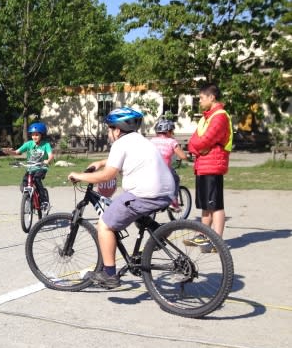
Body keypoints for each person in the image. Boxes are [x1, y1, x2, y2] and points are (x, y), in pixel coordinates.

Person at [67, 107, 175, 288]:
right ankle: (159, 232)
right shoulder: (141, 140)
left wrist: (80, 176)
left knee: (105, 225)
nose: (109, 133)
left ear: (117, 130)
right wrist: (101, 162)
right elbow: (121, 160)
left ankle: (109, 275)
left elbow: (107, 176)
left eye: (109, 128)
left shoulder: (120, 144)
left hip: (145, 194)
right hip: (166, 192)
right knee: (136, 212)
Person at [184, 83, 232, 248]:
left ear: (212, 97)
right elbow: (194, 140)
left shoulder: (219, 116)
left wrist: (197, 146)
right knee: (205, 204)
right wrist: (197, 147)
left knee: (215, 204)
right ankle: (203, 235)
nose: (200, 101)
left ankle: (217, 241)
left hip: (213, 165)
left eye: (202, 98)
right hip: (203, 164)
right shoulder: (207, 117)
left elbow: (205, 140)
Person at [3, 122, 54, 213]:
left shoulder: (46, 144)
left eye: (37, 135)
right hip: (30, 168)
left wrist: (48, 160)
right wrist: (9, 152)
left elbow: (50, 156)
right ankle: (28, 200)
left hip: (41, 168)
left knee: (37, 179)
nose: (34, 137)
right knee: (23, 185)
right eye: (33, 134)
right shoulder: (28, 144)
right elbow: (17, 152)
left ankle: (44, 201)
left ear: (41, 135)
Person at [150, 118, 188, 210]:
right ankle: (173, 202)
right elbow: (183, 156)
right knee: (175, 179)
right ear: (168, 132)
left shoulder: (151, 140)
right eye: (172, 131)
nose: (172, 133)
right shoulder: (172, 142)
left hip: (150, 169)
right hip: (164, 170)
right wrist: (187, 156)